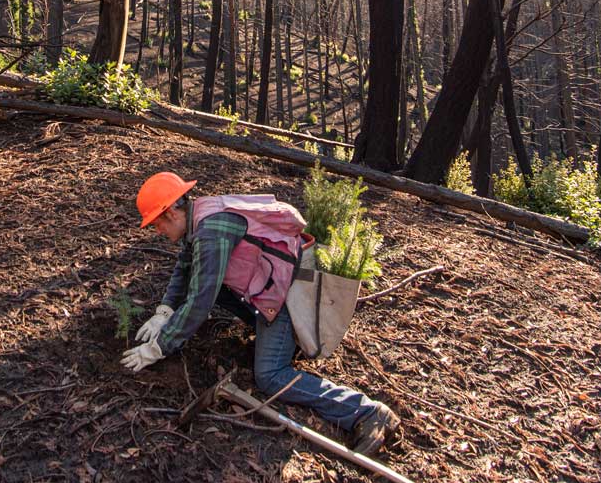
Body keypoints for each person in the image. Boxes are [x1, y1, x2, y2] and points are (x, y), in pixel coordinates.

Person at [120, 170, 400, 455]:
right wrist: (165, 311)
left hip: (288, 296)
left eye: (156, 224)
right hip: (271, 287)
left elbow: (200, 302)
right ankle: (279, 339)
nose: (157, 232)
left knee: (269, 375)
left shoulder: (211, 230)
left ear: (170, 214)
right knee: (203, 282)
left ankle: (365, 411)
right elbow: (186, 267)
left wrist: (159, 347)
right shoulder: (200, 216)